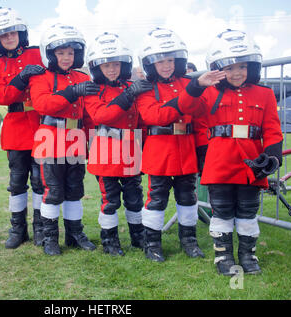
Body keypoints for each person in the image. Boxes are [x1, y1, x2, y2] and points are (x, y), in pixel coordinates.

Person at [176, 29, 283, 275]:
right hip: (220, 161)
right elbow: (185, 106)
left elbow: (273, 130)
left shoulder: (264, 94)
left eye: (243, 67)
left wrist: (273, 157)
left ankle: (248, 256)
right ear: (218, 68)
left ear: (252, 67)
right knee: (222, 210)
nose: (237, 73)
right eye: (231, 67)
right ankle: (223, 256)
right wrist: (196, 85)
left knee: (247, 210)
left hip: (252, 162)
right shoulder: (209, 92)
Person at [136, 27, 206, 262]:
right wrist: (188, 97)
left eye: (170, 60)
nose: (166, 65)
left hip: (186, 148)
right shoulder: (147, 88)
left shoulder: (189, 82)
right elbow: (154, 116)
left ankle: (189, 240)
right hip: (160, 151)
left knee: (188, 196)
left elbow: (198, 111)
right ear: (150, 64)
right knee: (157, 197)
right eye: (160, 61)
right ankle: (152, 242)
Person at [29, 23, 99, 256]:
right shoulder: (42, 76)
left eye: (71, 53)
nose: (67, 57)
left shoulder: (82, 76)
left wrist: (92, 141)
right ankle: (50, 238)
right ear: (50, 54)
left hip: (76, 137)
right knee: (54, 190)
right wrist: (72, 92)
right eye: (61, 53)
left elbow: (89, 113)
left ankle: (74, 234)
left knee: (74, 188)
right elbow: (42, 104)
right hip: (50, 137)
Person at [84, 32, 152, 256]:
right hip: (105, 152)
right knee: (110, 199)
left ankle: (138, 236)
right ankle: (110, 240)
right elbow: (102, 116)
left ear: (124, 65)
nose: (111, 69)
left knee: (134, 197)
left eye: (115, 64)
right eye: (106, 66)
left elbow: (141, 120)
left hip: (132, 149)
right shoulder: (94, 90)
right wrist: (127, 96)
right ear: (97, 68)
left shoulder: (133, 87)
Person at [0, 7, 46, 249]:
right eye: (3, 35)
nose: (9, 37)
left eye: (13, 32)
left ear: (21, 32)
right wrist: (21, 78)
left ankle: (41, 229)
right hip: (15, 128)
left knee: (41, 182)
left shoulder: (38, 54)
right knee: (18, 182)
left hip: (42, 126)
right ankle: (17, 230)